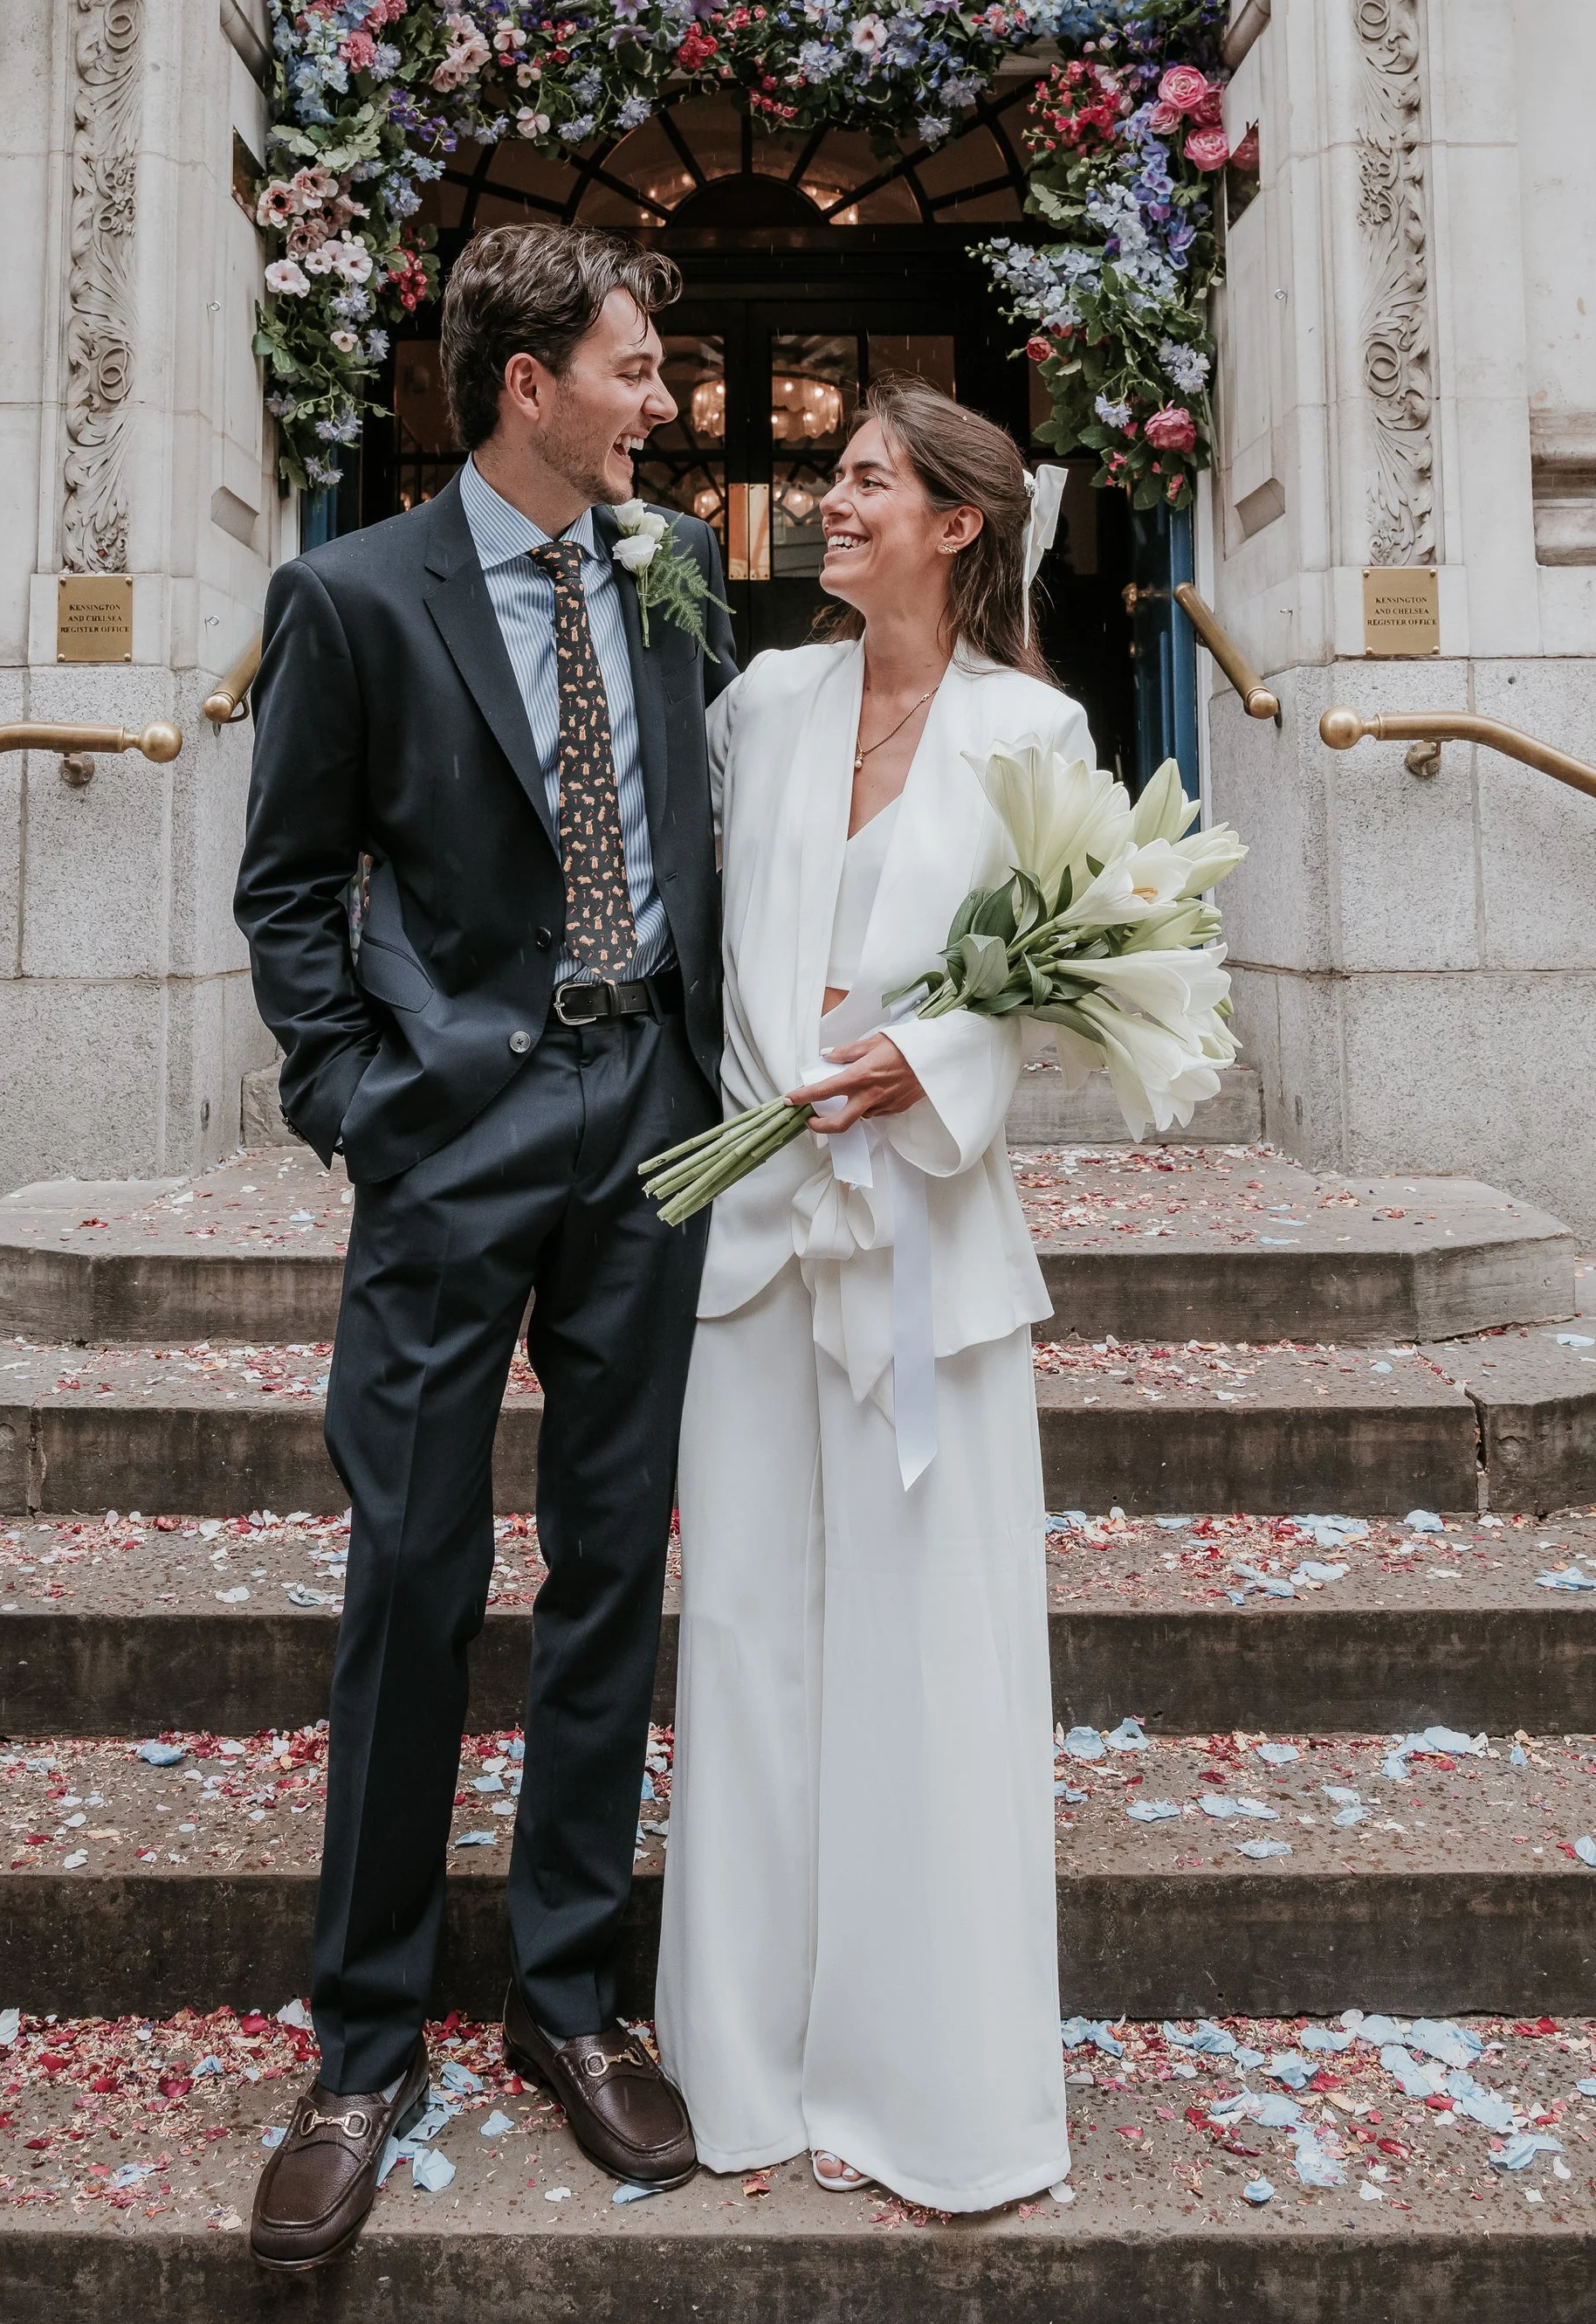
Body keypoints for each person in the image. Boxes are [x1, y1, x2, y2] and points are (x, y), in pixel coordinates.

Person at [234, 222, 733, 2273]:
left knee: (613, 1569)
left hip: (654, 1138)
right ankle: (359, 2050)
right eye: (631, 366)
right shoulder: (350, 596)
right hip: (448, 1147)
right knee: (413, 1575)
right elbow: (289, 893)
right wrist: (363, 1103)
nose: (660, 401)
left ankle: (568, 1998)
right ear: (526, 383)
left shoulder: (674, 573)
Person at [654, 378, 1084, 2213]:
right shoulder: (761, 702)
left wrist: (935, 1059)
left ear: (955, 525)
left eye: (858, 481)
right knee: (745, 1637)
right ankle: (741, 2064)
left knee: (927, 1651)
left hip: (921, 1252)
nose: (822, 501)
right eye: (832, 478)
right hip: (754, 1240)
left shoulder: (1035, 731)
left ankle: (931, 2085)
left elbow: (1066, 986)